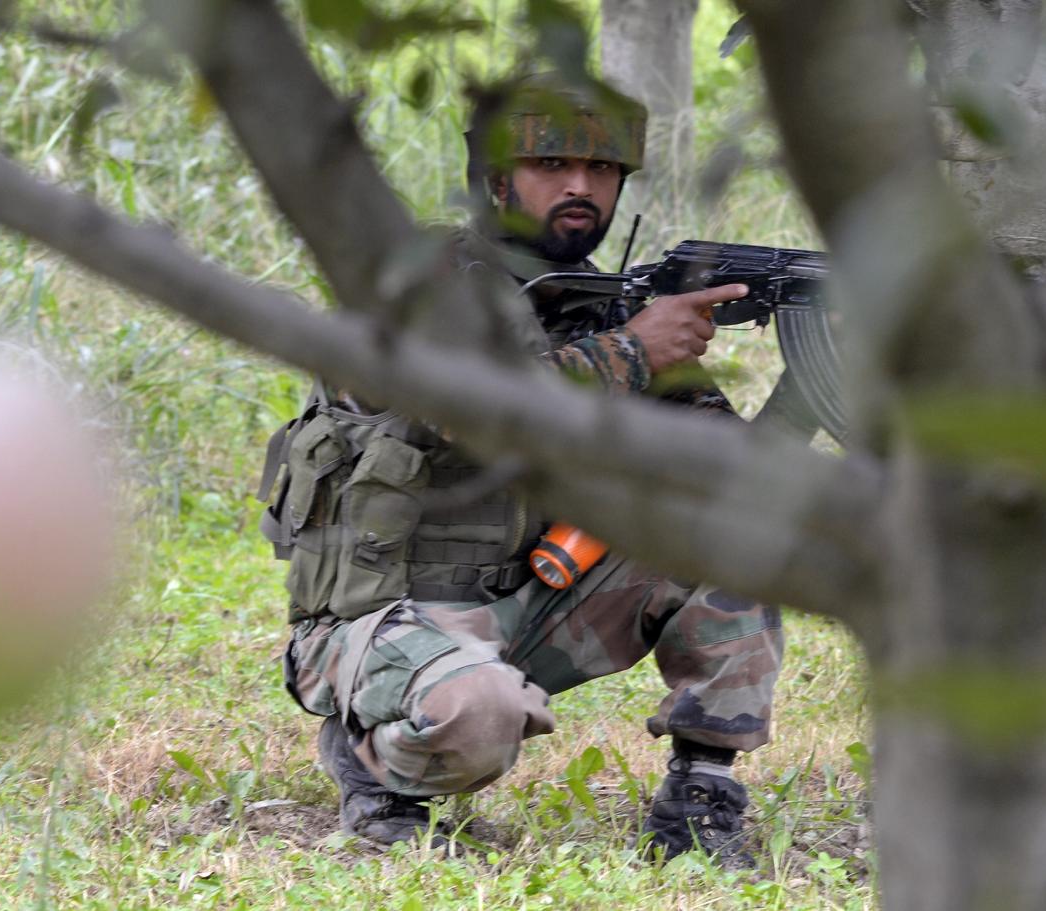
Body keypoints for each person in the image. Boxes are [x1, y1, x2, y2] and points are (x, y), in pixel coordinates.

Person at [258, 74, 782, 867]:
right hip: (382, 618)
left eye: (601, 169)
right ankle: (374, 769)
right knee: (479, 713)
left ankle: (699, 798)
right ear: (496, 178)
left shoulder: (605, 304)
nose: (580, 187)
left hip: (529, 601)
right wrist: (634, 351)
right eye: (551, 165)